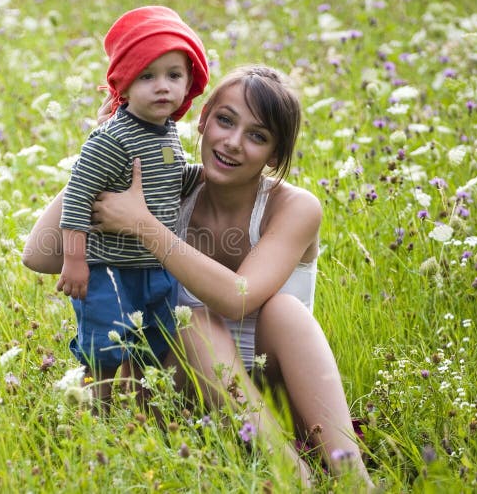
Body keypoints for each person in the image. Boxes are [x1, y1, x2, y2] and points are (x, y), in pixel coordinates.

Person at [22, 64, 374, 488]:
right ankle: (292, 477)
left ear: (275, 156)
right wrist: (104, 154)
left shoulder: (293, 207)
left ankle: (351, 475)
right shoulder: (171, 188)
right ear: (203, 119)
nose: (233, 142)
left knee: (282, 310)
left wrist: (144, 226)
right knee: (191, 328)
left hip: (281, 397)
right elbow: (39, 254)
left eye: (257, 136)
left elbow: (238, 298)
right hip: (188, 400)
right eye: (225, 121)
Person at [55, 6, 209, 405]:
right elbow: (77, 197)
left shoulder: (168, 132)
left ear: (189, 82)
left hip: (155, 266)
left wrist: (207, 173)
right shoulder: (111, 138)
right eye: (147, 76)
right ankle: (97, 413)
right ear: (124, 83)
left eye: (174, 75)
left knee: (152, 345)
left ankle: (145, 413)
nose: (163, 87)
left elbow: (172, 181)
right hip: (109, 268)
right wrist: (75, 261)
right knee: (104, 348)